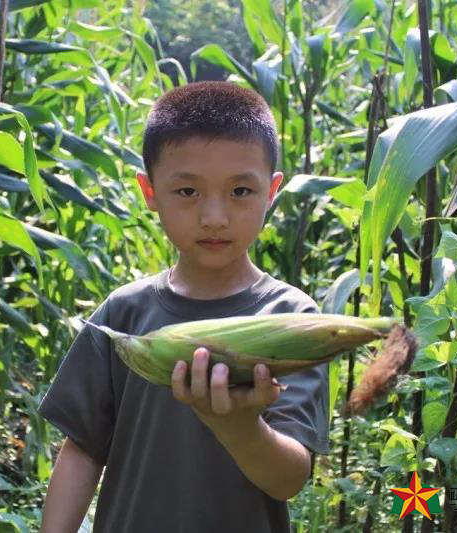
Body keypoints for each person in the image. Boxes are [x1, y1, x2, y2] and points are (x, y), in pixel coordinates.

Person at [38, 81, 330, 533]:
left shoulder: (292, 320)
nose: (214, 217)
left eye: (240, 191)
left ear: (271, 191)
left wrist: (239, 428)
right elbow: (83, 450)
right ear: (150, 191)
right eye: (188, 192)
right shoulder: (123, 314)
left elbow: (289, 479)